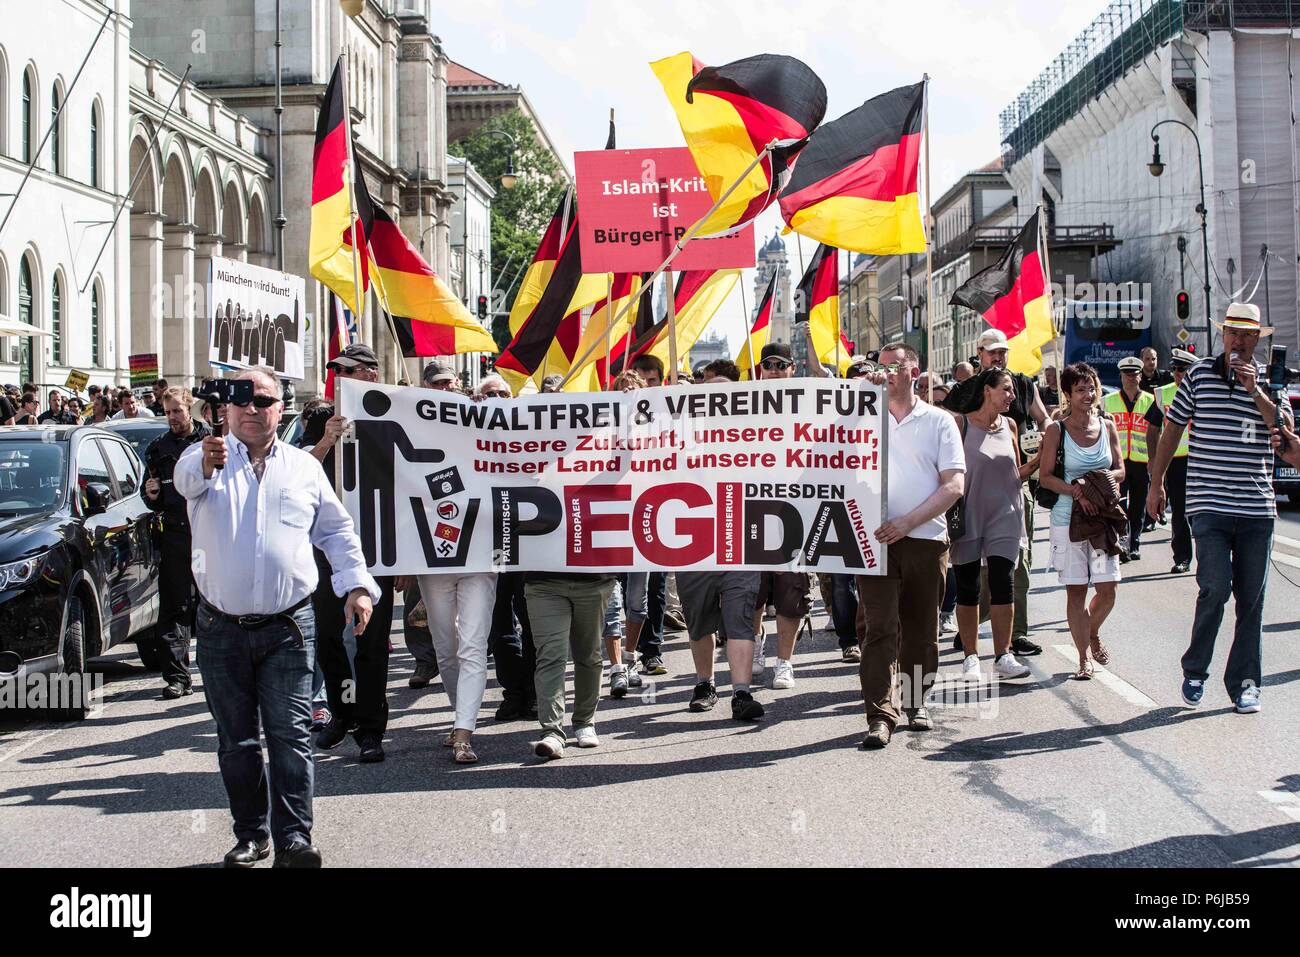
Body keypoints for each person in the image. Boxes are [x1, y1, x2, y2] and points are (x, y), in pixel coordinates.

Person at [175, 367, 378, 868]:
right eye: (240, 400)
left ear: (280, 408)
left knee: (290, 735)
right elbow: (184, 481)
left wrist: (356, 585)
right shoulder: (203, 459)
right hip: (220, 629)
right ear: (223, 409)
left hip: (288, 627)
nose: (251, 408)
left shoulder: (304, 468)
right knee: (238, 741)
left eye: (262, 400)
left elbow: (336, 530)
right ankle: (251, 835)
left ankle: (293, 839)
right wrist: (205, 459)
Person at [1146, 303, 1292, 714]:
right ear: (1223, 335)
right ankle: (1195, 670)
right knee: (1214, 586)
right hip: (1208, 504)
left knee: (1252, 599)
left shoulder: (1270, 381)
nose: (1239, 342)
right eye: (1233, 333)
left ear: (1256, 341)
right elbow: (1172, 428)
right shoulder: (1198, 376)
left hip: (1255, 507)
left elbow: (1282, 432)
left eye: (1248, 335)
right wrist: (1156, 484)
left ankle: (1245, 682)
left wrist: (1256, 391)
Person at [856, 342, 964, 749]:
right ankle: (881, 714)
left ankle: (917, 702)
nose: (885, 373)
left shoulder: (939, 422)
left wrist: (907, 522)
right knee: (880, 629)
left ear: (913, 372)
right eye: (880, 367)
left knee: (920, 630)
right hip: (876, 543)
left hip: (925, 539)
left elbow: (954, 484)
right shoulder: (861, 421)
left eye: (894, 366)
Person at [303, 344, 398, 763]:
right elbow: (301, 470)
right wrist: (327, 440)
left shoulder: (397, 410)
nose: (342, 378)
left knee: (372, 643)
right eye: (339, 372)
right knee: (328, 636)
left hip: (379, 545)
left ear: (372, 375)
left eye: (352, 371)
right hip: (328, 548)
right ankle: (342, 714)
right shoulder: (325, 417)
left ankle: (371, 728)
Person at [413, 375, 507, 763]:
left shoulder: (504, 440)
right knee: (446, 646)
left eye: (502, 395)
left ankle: (464, 730)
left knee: (473, 644)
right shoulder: (419, 432)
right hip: (433, 557)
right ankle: (459, 713)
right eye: (488, 395)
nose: (495, 401)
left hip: (482, 557)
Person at [944, 328, 1049, 657]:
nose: (999, 355)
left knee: (1015, 569)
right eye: (993, 351)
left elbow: (1042, 421)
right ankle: (970, 638)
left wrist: (1046, 446)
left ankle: (1013, 640)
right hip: (971, 502)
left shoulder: (1022, 387)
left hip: (1010, 495)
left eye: (1003, 350)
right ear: (980, 353)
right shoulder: (961, 397)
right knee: (972, 580)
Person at [676, 359, 765, 719]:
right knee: (699, 619)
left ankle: (742, 693)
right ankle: (704, 682)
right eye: (712, 390)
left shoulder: (757, 433)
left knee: (740, 617)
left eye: (727, 390)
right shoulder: (681, 434)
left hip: (739, 541)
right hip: (692, 542)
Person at [1038, 363, 1125, 678]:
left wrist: (1095, 483)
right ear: (1068, 394)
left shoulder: (1108, 426)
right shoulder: (1055, 430)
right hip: (1067, 520)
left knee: (1108, 588)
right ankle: (1083, 658)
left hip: (1101, 520)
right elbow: (1046, 477)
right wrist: (1077, 492)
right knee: (1076, 591)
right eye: (1080, 390)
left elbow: (1120, 469)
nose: (1088, 395)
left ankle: (1091, 630)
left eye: (1091, 388)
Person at [752, 341, 814, 689]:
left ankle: (785, 661)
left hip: (794, 509)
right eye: (768, 365)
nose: (774, 371)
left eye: (781, 365)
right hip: (753, 509)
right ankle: (757, 646)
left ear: (793, 368)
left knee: (790, 590)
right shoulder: (744, 407)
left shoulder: (810, 403)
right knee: (754, 590)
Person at [142, 387, 211, 698]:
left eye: (176, 411)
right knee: (175, 606)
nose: (171, 417)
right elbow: (150, 495)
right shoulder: (158, 448)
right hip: (175, 534)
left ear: (189, 410)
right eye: (167, 412)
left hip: (209, 535)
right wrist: (152, 494)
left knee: (213, 603)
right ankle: (177, 677)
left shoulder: (210, 440)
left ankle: (217, 670)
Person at [528, 565, 617, 759]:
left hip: (594, 579)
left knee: (588, 655)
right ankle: (552, 731)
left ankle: (585, 722)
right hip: (543, 581)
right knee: (550, 658)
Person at [1104, 356, 1162, 562]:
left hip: (1141, 461)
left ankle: (1134, 544)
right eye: (1127, 375)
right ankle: (1121, 542)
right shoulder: (1107, 401)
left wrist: (1155, 460)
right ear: (1120, 376)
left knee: (1138, 507)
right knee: (1118, 504)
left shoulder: (1151, 401)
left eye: (1134, 374)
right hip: (1117, 462)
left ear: (1140, 376)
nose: (1131, 378)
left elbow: (1159, 433)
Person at [1153, 348, 1198, 574]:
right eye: (1175, 369)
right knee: (1179, 511)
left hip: (1201, 460)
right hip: (1176, 462)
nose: (1178, 374)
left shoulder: (1204, 391)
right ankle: (1182, 557)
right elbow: (1151, 428)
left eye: (1183, 369)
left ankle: (1210, 557)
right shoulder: (1163, 394)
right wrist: (1154, 463)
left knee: (1204, 512)